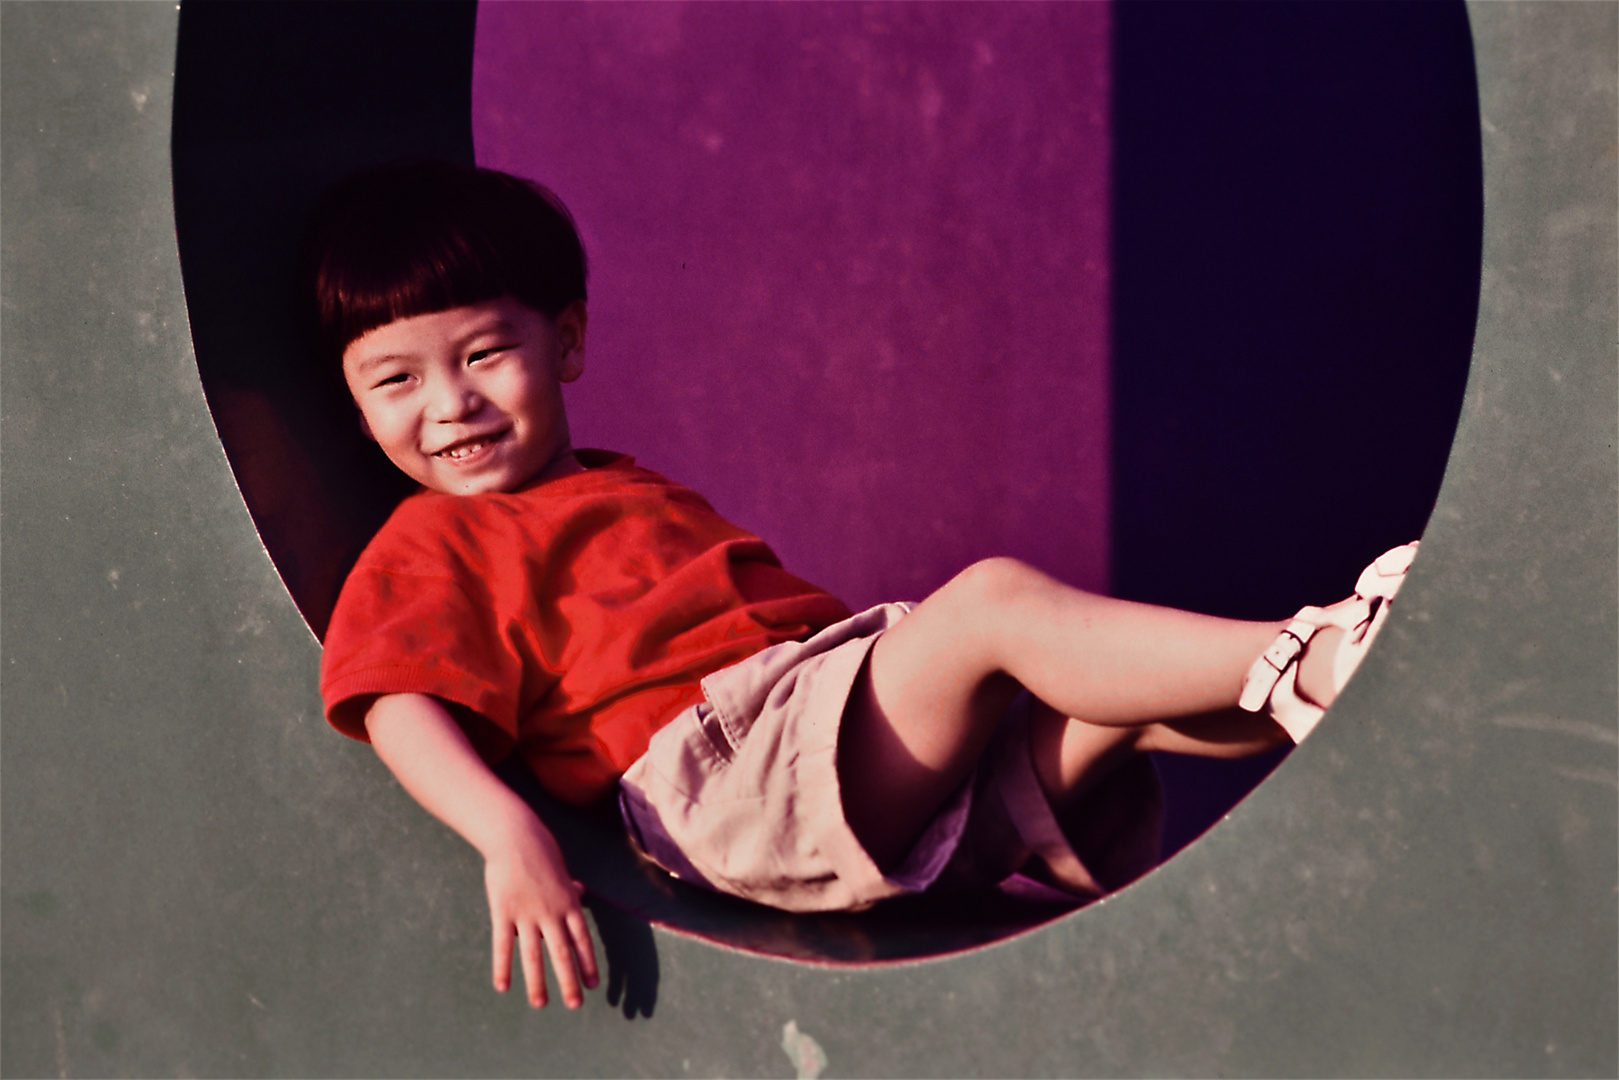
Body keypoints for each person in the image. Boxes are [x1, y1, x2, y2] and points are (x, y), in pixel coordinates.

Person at [313, 160, 1417, 1012]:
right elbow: (397, 700)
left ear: (567, 344)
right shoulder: (434, 543)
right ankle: (1317, 649)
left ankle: (1365, 686)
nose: (448, 404)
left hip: (813, 753)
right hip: (721, 786)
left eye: (481, 355)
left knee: (1112, 710)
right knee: (990, 607)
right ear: (355, 404)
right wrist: (507, 837)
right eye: (396, 380)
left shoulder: (612, 489)